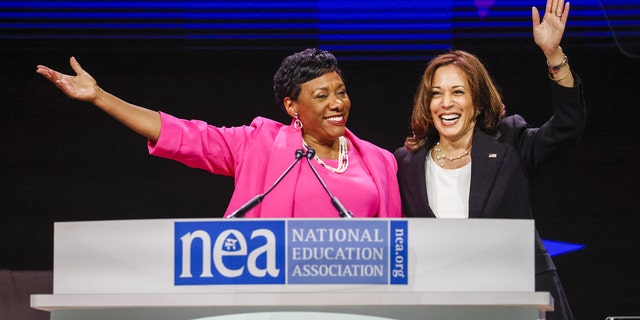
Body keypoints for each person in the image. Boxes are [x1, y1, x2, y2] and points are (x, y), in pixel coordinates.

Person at [36, 48, 402, 219]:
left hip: (354, 297)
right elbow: (183, 135)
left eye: (341, 92)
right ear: (293, 107)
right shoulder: (259, 143)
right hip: (269, 294)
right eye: (321, 96)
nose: (337, 103)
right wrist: (100, 97)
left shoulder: (379, 161)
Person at [394, 0, 584, 319]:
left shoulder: (510, 141)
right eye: (436, 94)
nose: (446, 103)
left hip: (520, 299)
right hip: (445, 305)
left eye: (458, 92)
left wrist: (554, 57)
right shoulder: (408, 162)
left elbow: (568, 126)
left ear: (477, 102)